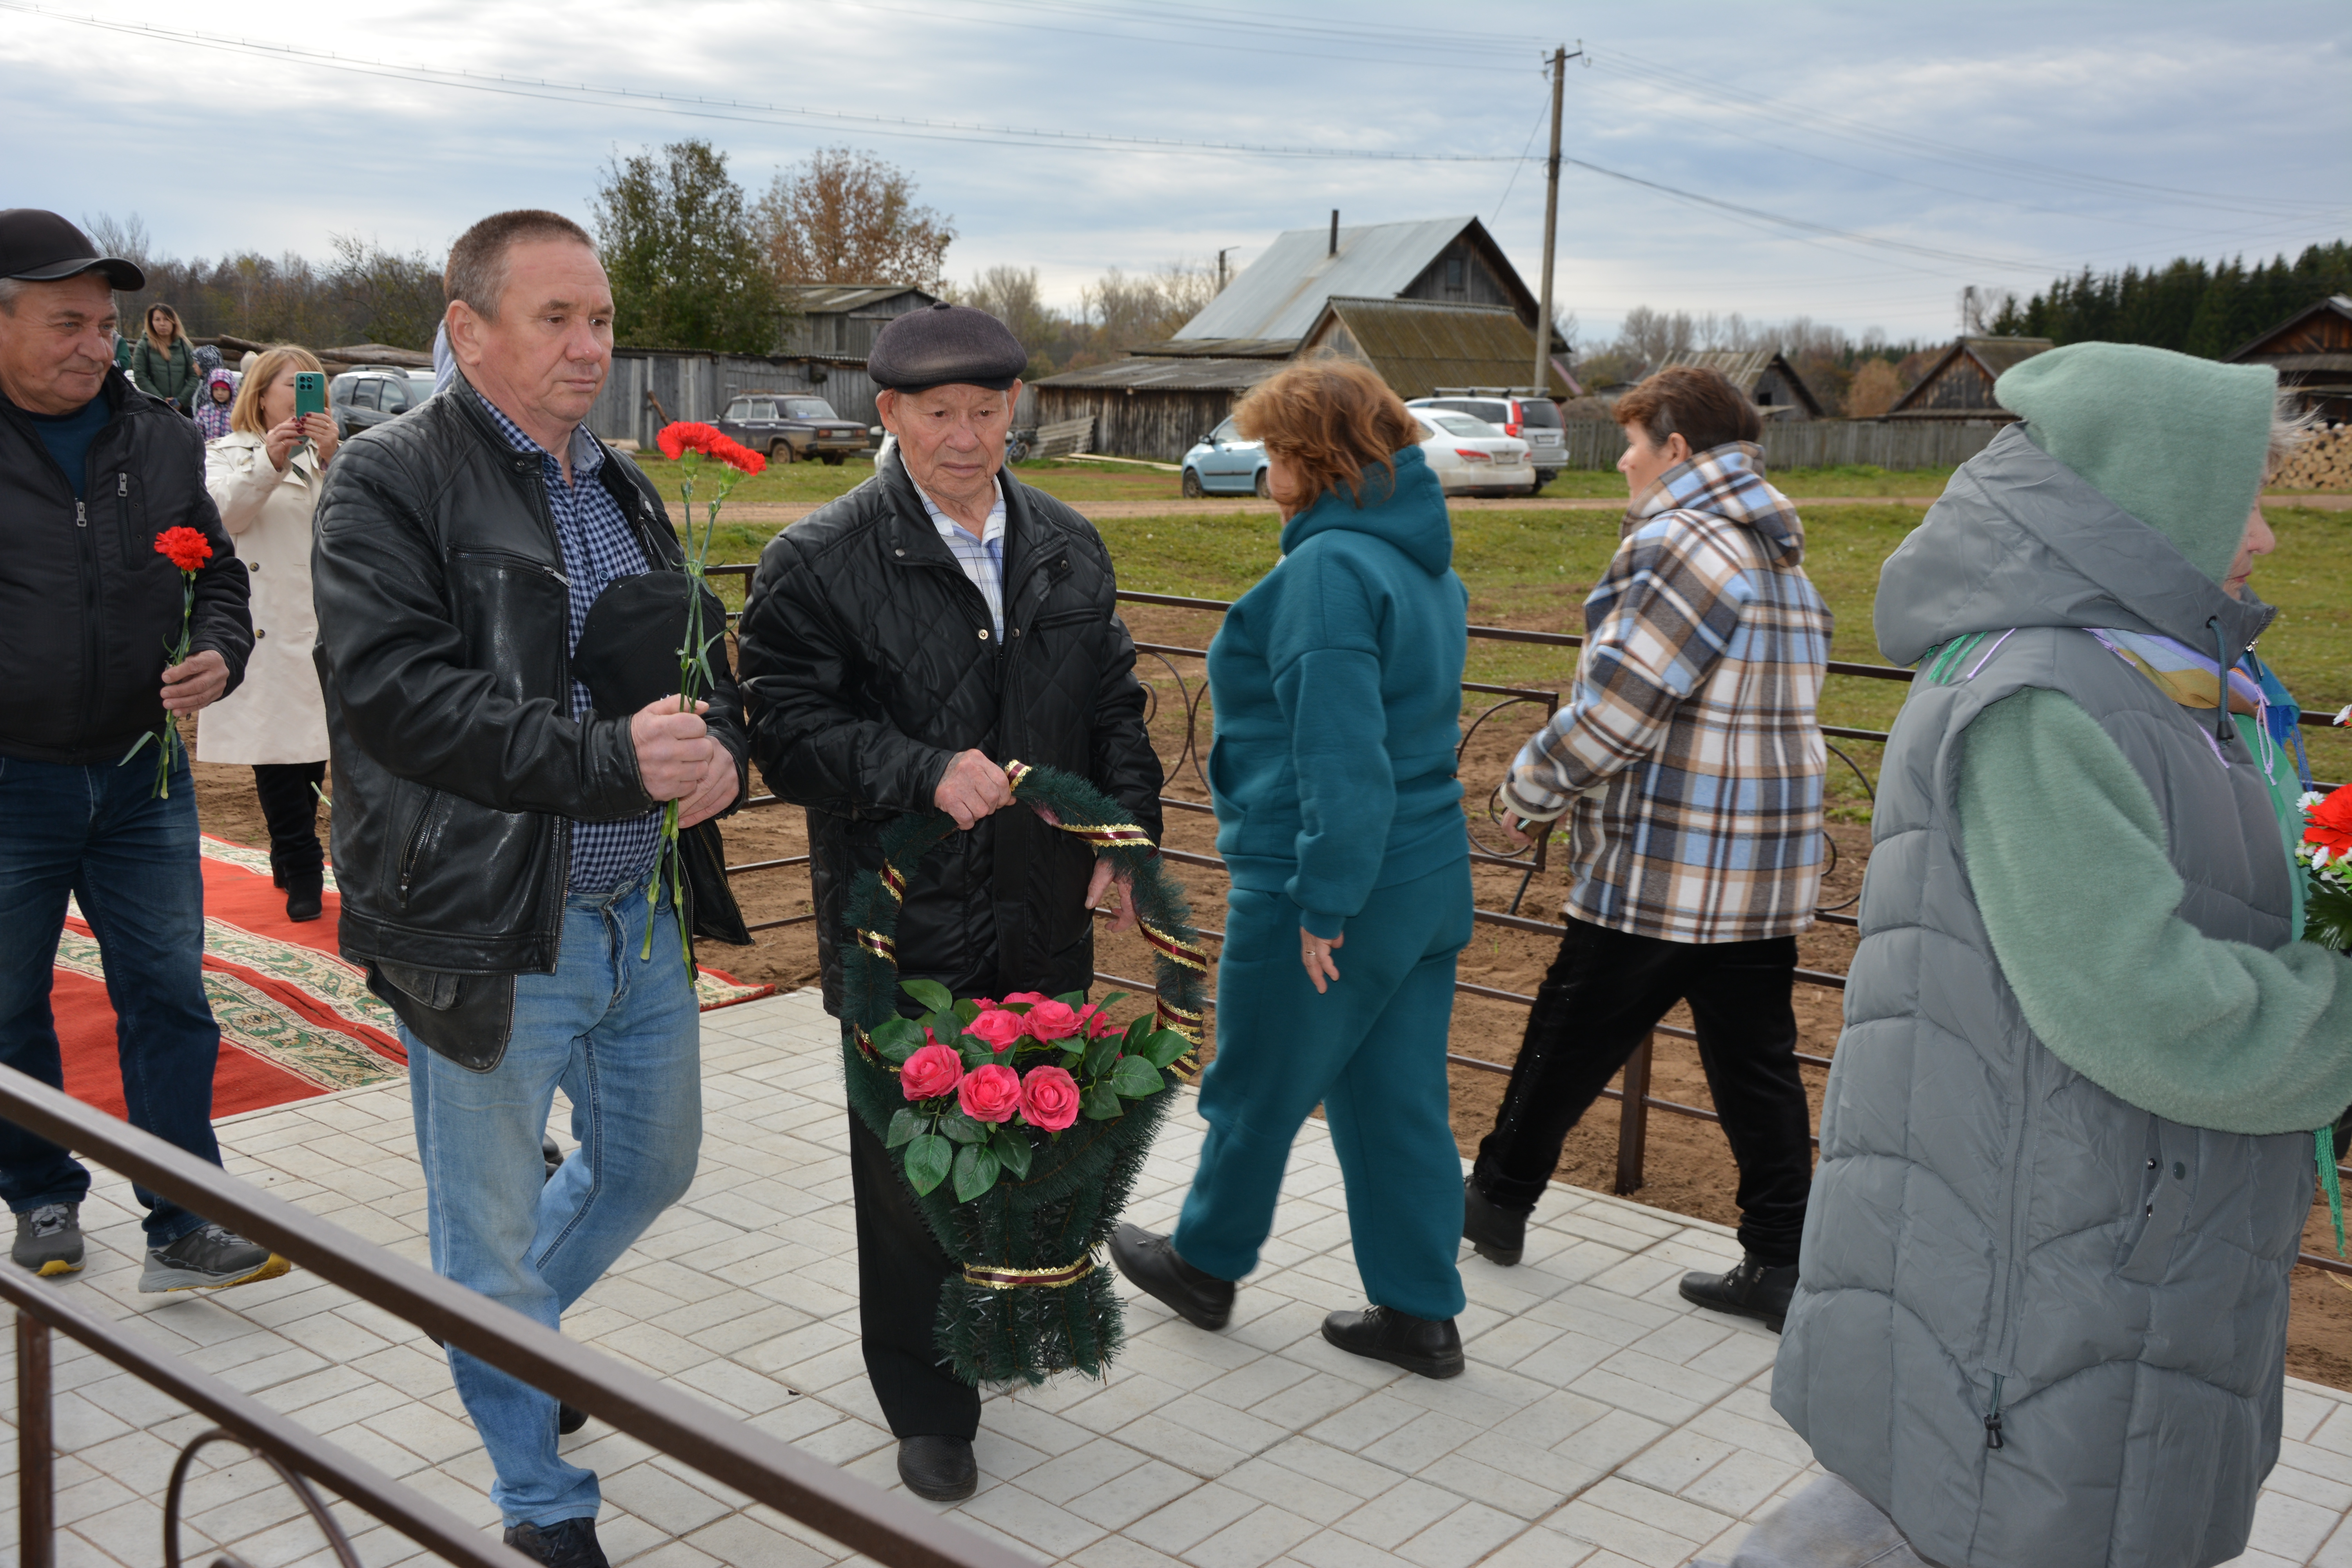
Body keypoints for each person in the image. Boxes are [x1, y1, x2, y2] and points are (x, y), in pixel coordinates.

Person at [1769, 343, 2352, 1568]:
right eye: (2241, 501)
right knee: (1971, 1513)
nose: (2261, 537)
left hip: (2095, 1245)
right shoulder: (2044, 701)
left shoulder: (2155, 677)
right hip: (2045, 1274)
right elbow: (2140, 1002)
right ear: (2153, 495)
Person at [312, 209, 746, 1568]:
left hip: (638, 911)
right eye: (556, 318)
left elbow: (688, 663)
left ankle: (508, 1336)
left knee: (651, 1168)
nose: (590, 345)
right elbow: (395, 696)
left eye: (600, 319)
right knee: (486, 1229)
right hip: (490, 917)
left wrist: (721, 753)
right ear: (469, 328)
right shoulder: (390, 480)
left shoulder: (622, 486)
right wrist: (612, 760)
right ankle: (542, 1499)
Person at [736, 301, 1162, 1503]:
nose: (965, 437)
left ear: (1014, 407)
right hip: (902, 927)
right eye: (938, 415)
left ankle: (994, 1319)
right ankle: (927, 1405)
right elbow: (787, 733)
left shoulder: (1067, 545)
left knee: (1021, 1140)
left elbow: (1114, 705)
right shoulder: (817, 559)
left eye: (985, 411)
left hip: (1041, 916)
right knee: (910, 1180)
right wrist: (918, 768)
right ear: (890, 413)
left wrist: (1126, 831)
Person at [1108, 357, 1478, 1378]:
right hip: (1427, 876)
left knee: (1257, 1080)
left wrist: (1323, 900)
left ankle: (1203, 1264)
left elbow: (1340, 755)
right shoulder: (1421, 564)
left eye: (1273, 449)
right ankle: (1420, 1313)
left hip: (1334, 881)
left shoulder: (1329, 573)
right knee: (1398, 1101)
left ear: (1313, 459)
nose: (1264, 467)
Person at [1463, 366, 1830, 1331]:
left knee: (1567, 1032)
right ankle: (1781, 1259)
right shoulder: (1779, 556)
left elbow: (1620, 706)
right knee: (1756, 1064)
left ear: (1675, 448)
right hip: (1761, 862)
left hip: (1671, 859)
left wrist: (1528, 790)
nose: (1623, 461)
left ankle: (1495, 1202)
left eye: (1632, 443)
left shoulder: (1682, 543)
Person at [0, 209, 286, 1293]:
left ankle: (183, 1217)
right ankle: (39, 1190)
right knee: (7, 1004)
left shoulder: (158, 436)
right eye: (67, 324)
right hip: (9, 780)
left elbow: (218, 575)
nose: (96, 346)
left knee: (169, 995)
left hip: (140, 774)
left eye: (106, 325)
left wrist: (221, 650)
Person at [201, 347, 338, 921]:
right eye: (294, 384)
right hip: (266, 623)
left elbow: (365, 527)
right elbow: (221, 518)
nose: (309, 396)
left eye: (316, 385)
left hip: (327, 624)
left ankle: (289, 855)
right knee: (279, 753)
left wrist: (334, 462)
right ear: (260, 396)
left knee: (316, 751)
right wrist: (270, 462)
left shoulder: (338, 455)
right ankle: (302, 862)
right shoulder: (225, 454)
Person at [128, 302, 199, 414]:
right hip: (154, 408)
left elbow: (194, 376)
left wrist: (181, 401)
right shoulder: (144, 346)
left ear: (174, 321)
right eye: (157, 320)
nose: (162, 324)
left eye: (166, 319)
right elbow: (140, 376)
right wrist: (160, 400)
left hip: (183, 409)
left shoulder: (185, 346)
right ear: (151, 322)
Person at [194, 365, 236, 442]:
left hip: (232, 448)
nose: (220, 393)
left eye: (224, 390)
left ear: (231, 391)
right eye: (216, 390)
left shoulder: (237, 412)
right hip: (210, 449)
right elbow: (197, 433)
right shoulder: (205, 412)